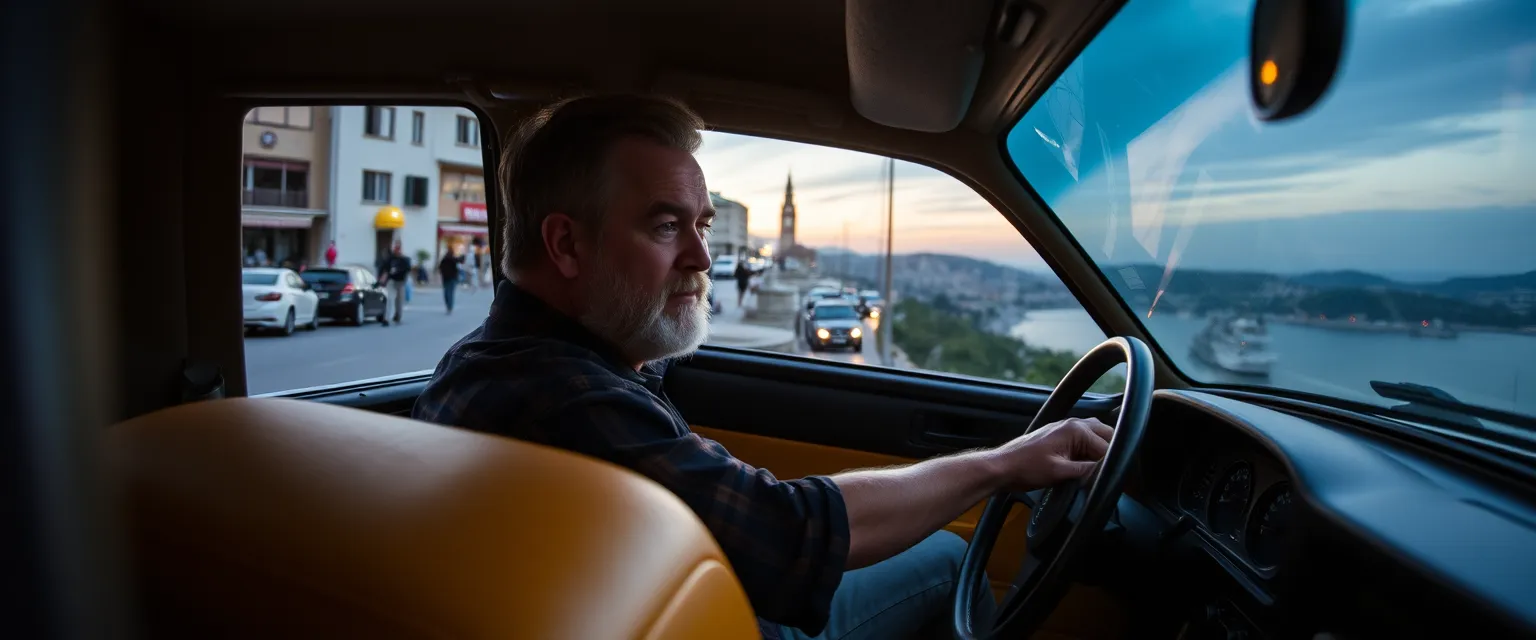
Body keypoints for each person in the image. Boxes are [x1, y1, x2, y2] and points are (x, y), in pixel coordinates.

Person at [412, 95, 1113, 640]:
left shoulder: (492, 365)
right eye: (665, 226)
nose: (705, 259)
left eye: (704, 225)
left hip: (669, 606)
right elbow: (789, 536)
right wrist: (1005, 464)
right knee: (949, 562)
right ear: (566, 244)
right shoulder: (567, 398)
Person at [377, 241, 411, 326]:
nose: (397, 250)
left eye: (398, 248)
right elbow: (384, 269)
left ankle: (398, 315)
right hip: (391, 281)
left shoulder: (405, 259)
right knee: (390, 299)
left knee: (399, 300)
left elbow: (407, 269)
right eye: (395, 248)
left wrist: (398, 270)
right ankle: (386, 318)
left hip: (401, 282)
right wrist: (382, 278)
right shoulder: (390, 259)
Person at [438, 246, 461, 315]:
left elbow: (440, 268)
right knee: (450, 293)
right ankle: (450, 307)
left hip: (446, 278)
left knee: (446, 292)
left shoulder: (444, 259)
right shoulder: (453, 259)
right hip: (452, 278)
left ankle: (449, 306)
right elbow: (458, 267)